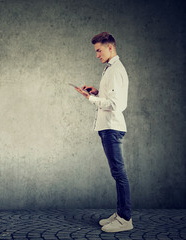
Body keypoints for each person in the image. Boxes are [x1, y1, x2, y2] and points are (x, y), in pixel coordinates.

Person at [75, 32, 133, 233]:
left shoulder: (116, 70)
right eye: (96, 51)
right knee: (117, 174)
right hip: (108, 127)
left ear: (110, 47)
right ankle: (120, 214)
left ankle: (125, 219)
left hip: (112, 128)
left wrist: (90, 99)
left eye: (99, 50)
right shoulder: (110, 69)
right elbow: (110, 97)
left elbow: (118, 105)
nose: (97, 55)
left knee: (119, 174)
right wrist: (97, 93)